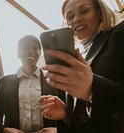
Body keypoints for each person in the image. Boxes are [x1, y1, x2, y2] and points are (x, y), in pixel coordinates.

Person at [38, 0, 124, 133]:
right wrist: (67, 114)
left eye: (84, 11)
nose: (76, 19)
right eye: (70, 17)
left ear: (100, 13)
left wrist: (92, 88)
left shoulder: (119, 34)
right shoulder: (76, 58)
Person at [0, 35, 67, 133]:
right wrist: (6, 130)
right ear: (18, 54)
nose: (30, 50)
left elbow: (68, 117)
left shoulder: (54, 80)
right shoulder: (4, 82)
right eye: (25, 48)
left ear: (40, 53)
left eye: (34, 48)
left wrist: (57, 130)